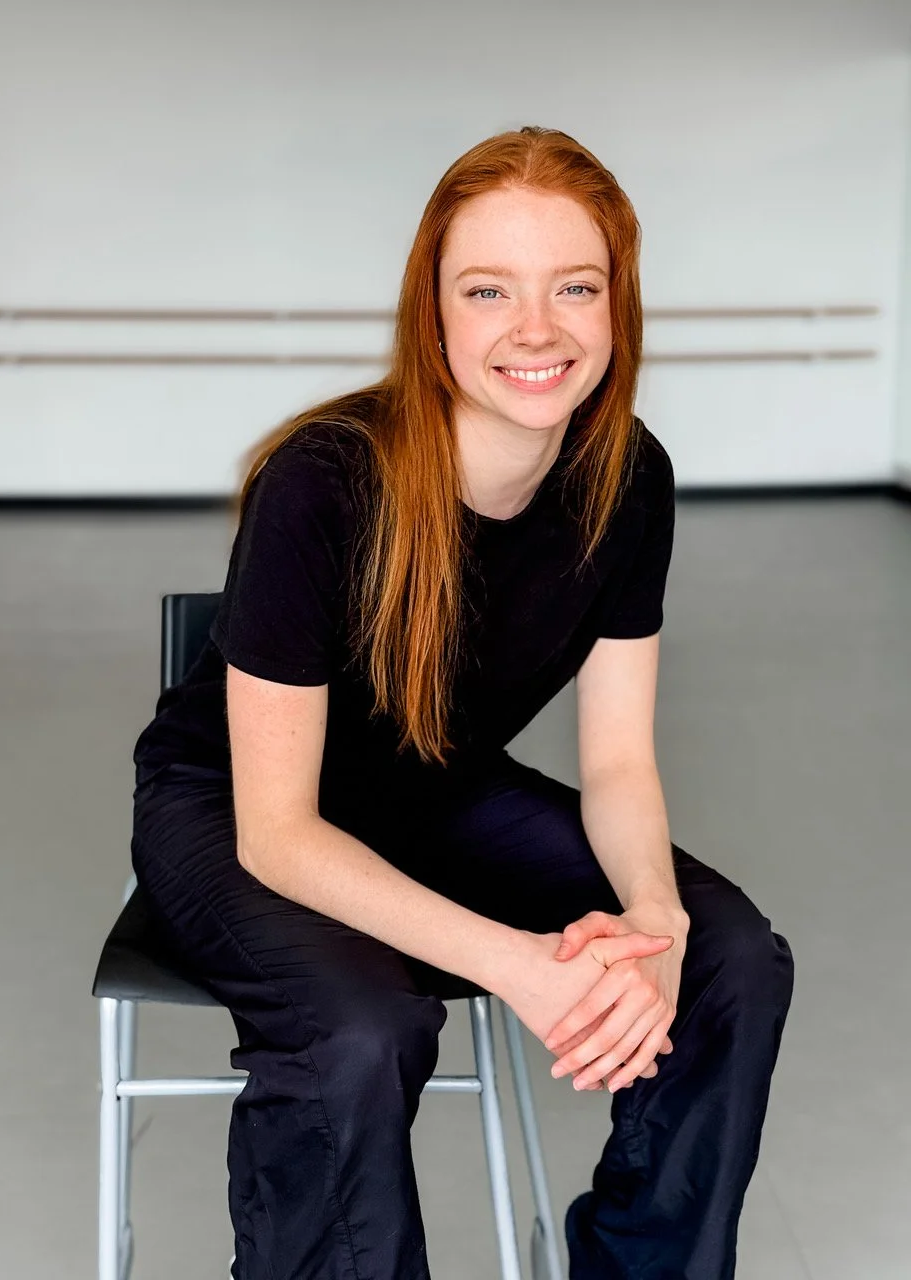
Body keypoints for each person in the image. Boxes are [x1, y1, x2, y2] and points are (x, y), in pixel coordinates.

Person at [130, 125, 794, 1280]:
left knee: (728, 954)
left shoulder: (629, 476)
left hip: (436, 790)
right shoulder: (323, 483)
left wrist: (656, 918)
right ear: (432, 314)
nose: (536, 328)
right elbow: (278, 831)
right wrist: (522, 964)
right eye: (489, 290)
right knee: (363, 1028)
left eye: (574, 287)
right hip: (235, 811)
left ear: (618, 306)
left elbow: (619, 762)